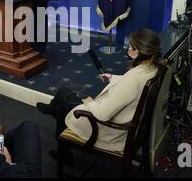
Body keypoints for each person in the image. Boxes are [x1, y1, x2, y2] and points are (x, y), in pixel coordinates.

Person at [36, 28, 165, 161]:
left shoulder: (132, 80)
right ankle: (54, 110)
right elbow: (133, 84)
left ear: (137, 52)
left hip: (109, 131)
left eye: (130, 46)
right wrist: (112, 77)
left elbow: (103, 114)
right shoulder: (153, 69)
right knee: (63, 99)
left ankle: (63, 152)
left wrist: (91, 102)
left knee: (63, 96)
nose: (128, 48)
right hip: (128, 125)